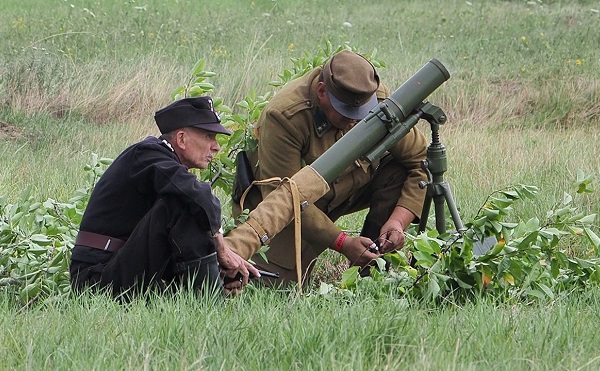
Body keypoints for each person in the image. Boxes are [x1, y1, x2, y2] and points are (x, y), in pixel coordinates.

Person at [233, 50, 428, 285]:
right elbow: (284, 199)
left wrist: (398, 221)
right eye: (346, 112)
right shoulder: (285, 116)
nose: (354, 120)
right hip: (286, 209)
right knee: (272, 287)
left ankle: (371, 268)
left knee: (399, 170)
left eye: (361, 113)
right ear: (322, 92)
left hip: (346, 190)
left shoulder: (376, 101)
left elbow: (420, 160)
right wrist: (342, 242)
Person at [70, 96, 259, 299]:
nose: (216, 146)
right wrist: (222, 249)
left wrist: (217, 269)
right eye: (208, 136)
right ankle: (211, 303)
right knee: (182, 204)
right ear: (181, 139)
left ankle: (209, 294)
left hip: (119, 266)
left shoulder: (162, 161)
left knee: (188, 204)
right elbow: (198, 196)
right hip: (95, 279)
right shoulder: (146, 154)